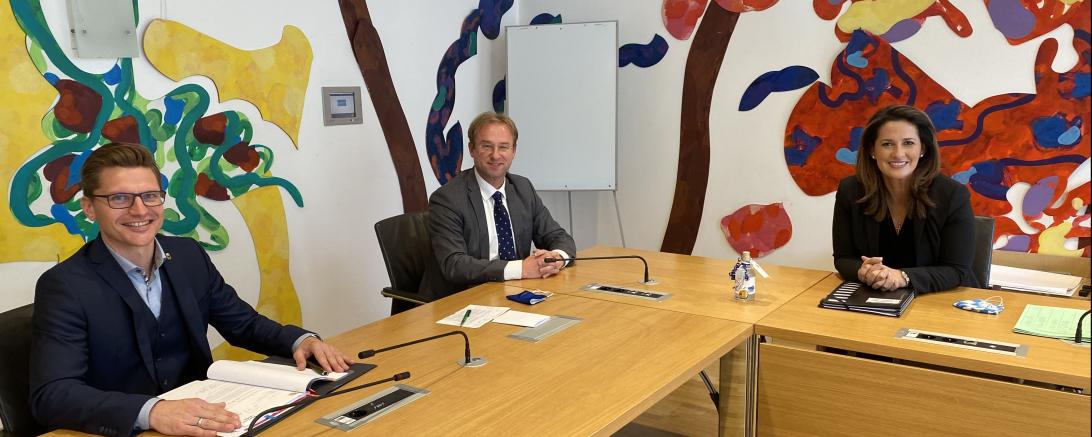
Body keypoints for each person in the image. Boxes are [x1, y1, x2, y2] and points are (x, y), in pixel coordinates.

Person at [30, 143, 352, 437]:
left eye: (150, 196)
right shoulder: (65, 286)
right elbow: (53, 394)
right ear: (89, 207)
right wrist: (151, 411)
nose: (140, 211)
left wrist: (300, 340)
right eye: (119, 198)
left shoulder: (188, 255)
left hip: (205, 422)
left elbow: (243, 324)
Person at [832, 105, 978, 293]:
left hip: (939, 302)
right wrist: (864, 271)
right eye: (887, 144)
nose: (898, 153)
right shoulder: (850, 191)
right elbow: (843, 258)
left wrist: (901, 277)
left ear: (923, 148)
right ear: (872, 150)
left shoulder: (952, 195)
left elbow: (956, 270)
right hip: (876, 299)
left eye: (908, 143)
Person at [428, 112, 577, 293]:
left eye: (504, 147)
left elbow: (559, 237)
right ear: (472, 149)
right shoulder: (448, 199)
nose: (495, 155)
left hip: (515, 290)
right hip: (465, 297)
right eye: (486, 146)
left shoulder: (522, 187)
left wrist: (557, 258)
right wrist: (521, 269)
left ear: (513, 151)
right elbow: (455, 264)